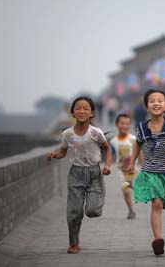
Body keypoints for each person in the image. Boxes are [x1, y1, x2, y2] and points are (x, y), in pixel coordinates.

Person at [46, 96, 112, 254]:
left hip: (94, 173)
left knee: (92, 211)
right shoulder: (67, 135)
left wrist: (108, 165)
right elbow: (63, 152)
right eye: (78, 109)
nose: (81, 111)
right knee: (74, 212)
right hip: (75, 174)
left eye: (85, 109)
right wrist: (54, 155)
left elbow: (108, 148)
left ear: (91, 113)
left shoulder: (96, 133)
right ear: (73, 113)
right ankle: (74, 243)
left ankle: (96, 203)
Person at [127, 89, 165, 256]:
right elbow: (138, 145)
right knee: (157, 204)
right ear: (147, 107)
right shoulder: (142, 128)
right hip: (151, 172)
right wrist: (132, 162)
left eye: (160, 100)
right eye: (152, 101)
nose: (156, 103)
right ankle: (157, 239)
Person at [109, 113, 140, 220]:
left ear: (130, 125)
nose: (124, 126)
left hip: (134, 169)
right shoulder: (113, 141)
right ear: (117, 124)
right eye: (122, 123)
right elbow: (111, 155)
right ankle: (131, 210)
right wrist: (107, 165)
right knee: (126, 191)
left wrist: (144, 166)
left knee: (134, 188)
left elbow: (140, 153)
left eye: (127, 124)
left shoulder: (134, 139)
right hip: (121, 170)